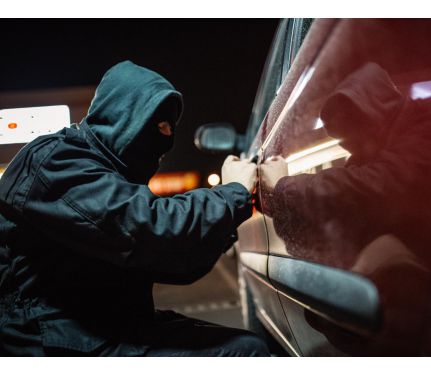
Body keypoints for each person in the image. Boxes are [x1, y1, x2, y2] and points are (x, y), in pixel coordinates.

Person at [0, 61, 268, 356]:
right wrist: (232, 193)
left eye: (170, 128)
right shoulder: (56, 162)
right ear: (123, 115)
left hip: (98, 326)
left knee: (248, 346)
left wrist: (222, 227)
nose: (165, 139)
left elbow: (173, 260)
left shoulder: (110, 175)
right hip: (46, 337)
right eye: (159, 125)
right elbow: (145, 225)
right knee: (242, 354)